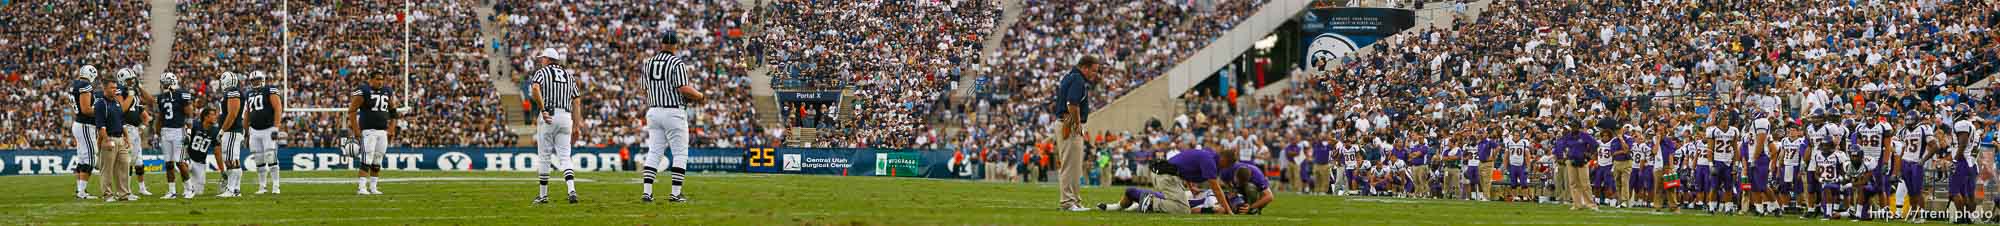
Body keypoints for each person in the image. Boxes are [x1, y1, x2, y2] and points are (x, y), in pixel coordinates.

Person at [640, 32, 705, 203]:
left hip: (654, 111)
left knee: (654, 152)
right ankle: (675, 193)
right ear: (676, 45)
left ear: (661, 43)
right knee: (680, 153)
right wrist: (700, 95)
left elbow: (644, 89)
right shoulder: (677, 63)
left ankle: (647, 192)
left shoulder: (649, 63)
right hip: (673, 111)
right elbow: (683, 88)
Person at [1096, 148, 1235, 214]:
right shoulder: (1210, 161)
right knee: (1183, 209)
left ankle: (1117, 206)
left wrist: (1191, 186)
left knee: (1176, 202)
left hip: (1167, 174)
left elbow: (1187, 165)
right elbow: (1216, 189)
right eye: (1226, 165)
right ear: (1224, 160)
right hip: (1166, 175)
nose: (1224, 169)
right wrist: (1228, 210)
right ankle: (1146, 199)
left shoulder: (1209, 153)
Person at [529, 48, 585, 204]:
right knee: (565, 156)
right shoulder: (569, 75)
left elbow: (535, 88)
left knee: (545, 156)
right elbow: (577, 101)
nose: (541, 61)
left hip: (549, 115)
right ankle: (571, 190)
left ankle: (543, 195)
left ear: (548, 59)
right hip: (566, 117)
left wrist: (543, 109)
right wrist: (576, 126)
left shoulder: (542, 72)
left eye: (543, 58)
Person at [1054, 56, 1101, 211]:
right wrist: (1078, 124)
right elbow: (1072, 104)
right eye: (1093, 70)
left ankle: (1074, 201)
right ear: (1084, 67)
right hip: (1069, 123)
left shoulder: (1070, 76)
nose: (1095, 74)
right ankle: (1068, 202)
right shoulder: (1078, 80)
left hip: (1065, 122)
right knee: (1070, 166)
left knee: (1074, 166)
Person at [349, 73, 397, 195]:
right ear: (371, 80)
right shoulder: (364, 90)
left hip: (382, 131)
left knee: (378, 159)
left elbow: (393, 111)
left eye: (382, 79)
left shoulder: (387, 91)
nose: (380, 82)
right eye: (377, 79)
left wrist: (391, 128)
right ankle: (361, 187)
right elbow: (352, 110)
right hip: (368, 131)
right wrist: (356, 130)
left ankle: (374, 187)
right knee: (367, 158)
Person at [95, 72, 134, 202]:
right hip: (109, 138)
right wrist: (106, 140)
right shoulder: (101, 103)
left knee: (124, 166)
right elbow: (100, 126)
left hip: (120, 138)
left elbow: (121, 122)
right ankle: (108, 195)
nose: (115, 90)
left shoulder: (117, 102)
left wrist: (126, 137)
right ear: (105, 88)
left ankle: (123, 194)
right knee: (107, 169)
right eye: (112, 87)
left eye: (115, 87)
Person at [155, 73, 194, 199]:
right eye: (163, 83)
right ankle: (172, 191)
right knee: (169, 163)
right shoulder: (161, 97)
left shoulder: (182, 94)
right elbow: (160, 117)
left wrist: (189, 132)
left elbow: (189, 114)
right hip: (166, 131)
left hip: (178, 131)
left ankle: (189, 188)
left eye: (165, 82)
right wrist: (157, 134)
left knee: (180, 162)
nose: (163, 85)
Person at [246, 71, 285, 195]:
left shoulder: (270, 89)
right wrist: (246, 130)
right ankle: (262, 186)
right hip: (254, 130)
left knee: (271, 157)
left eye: (257, 80)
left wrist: (276, 128)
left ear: (262, 79)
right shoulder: (249, 93)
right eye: (253, 81)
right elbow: (247, 112)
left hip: (268, 129)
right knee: (258, 160)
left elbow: (278, 108)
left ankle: (276, 185)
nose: (255, 82)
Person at [115, 69, 152, 198]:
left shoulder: (133, 91)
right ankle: (127, 191)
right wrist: (131, 93)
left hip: (135, 129)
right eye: (129, 80)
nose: (132, 82)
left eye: (132, 79)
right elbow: (122, 109)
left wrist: (140, 87)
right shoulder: (120, 90)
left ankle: (141, 188)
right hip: (126, 129)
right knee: (127, 161)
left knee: (138, 161)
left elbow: (149, 100)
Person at [70, 65, 99, 200]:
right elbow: (86, 109)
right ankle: (82, 192)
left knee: (82, 159)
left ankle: (80, 190)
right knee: (90, 159)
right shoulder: (85, 86)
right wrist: (101, 111)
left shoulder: (75, 85)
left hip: (79, 124)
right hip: (85, 125)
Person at [216, 72, 247, 197]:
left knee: (230, 160)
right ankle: (236, 189)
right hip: (233, 130)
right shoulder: (231, 92)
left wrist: (222, 130)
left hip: (232, 130)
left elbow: (233, 114)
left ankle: (231, 189)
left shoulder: (233, 92)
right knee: (233, 160)